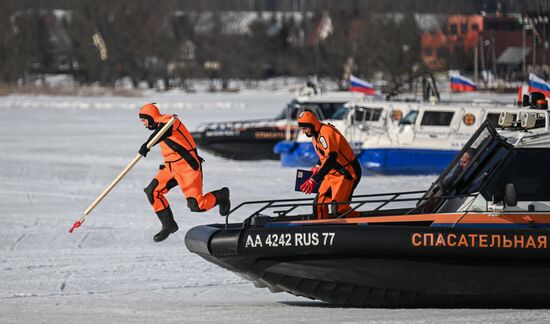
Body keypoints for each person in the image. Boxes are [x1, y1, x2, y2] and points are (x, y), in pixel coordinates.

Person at [138, 103, 230, 242]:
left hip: (187, 167)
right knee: (152, 191)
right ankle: (169, 225)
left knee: (196, 205)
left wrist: (147, 145)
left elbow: (162, 133)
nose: (144, 124)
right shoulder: (159, 126)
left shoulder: (169, 120)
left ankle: (221, 196)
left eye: (144, 120)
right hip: (170, 168)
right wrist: (148, 144)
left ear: (151, 117)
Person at [297, 110, 362, 219]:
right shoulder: (315, 135)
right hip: (332, 173)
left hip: (347, 173)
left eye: (304, 129)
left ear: (311, 125)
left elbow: (332, 158)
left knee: (339, 209)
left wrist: (314, 179)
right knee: (319, 204)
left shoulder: (326, 133)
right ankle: (321, 228)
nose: (303, 132)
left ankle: (361, 222)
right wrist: (317, 166)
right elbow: (325, 155)